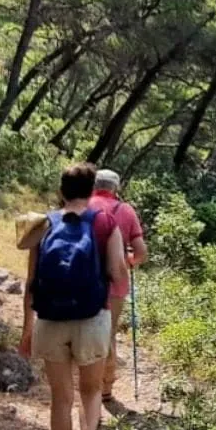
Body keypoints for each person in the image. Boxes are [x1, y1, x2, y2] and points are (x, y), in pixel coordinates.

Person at [19, 163, 129, 430]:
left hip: (51, 320)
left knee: (61, 399)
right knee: (91, 390)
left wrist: (26, 329)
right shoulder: (106, 222)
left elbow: (31, 283)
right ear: (91, 189)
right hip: (92, 318)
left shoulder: (44, 224)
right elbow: (117, 272)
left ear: (61, 191)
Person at [88, 168, 147, 404]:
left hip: (83, 279)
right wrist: (128, 263)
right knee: (107, 334)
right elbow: (141, 252)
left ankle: (83, 384)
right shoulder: (126, 211)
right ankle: (105, 388)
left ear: (94, 185)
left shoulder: (83, 205)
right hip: (115, 282)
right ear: (116, 188)